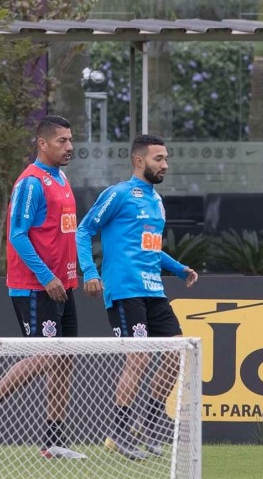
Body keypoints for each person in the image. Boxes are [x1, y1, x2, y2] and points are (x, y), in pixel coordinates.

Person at [0, 115, 85, 459]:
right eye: (61, 140)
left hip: (63, 284)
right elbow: (17, 235)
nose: (69, 147)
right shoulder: (30, 183)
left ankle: (52, 441)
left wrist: (73, 272)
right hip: (35, 286)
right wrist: (46, 277)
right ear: (42, 143)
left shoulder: (61, 178)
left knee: (65, 359)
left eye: (70, 139)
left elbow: (61, 233)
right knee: (47, 354)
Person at [76, 134, 199, 460]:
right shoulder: (118, 194)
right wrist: (89, 272)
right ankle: (118, 432)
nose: (165, 165)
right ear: (138, 161)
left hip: (153, 290)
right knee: (139, 359)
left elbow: (151, 248)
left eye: (166, 158)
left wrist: (178, 267)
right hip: (125, 289)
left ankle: (150, 422)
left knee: (175, 355)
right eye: (159, 158)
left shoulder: (156, 201)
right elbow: (84, 230)